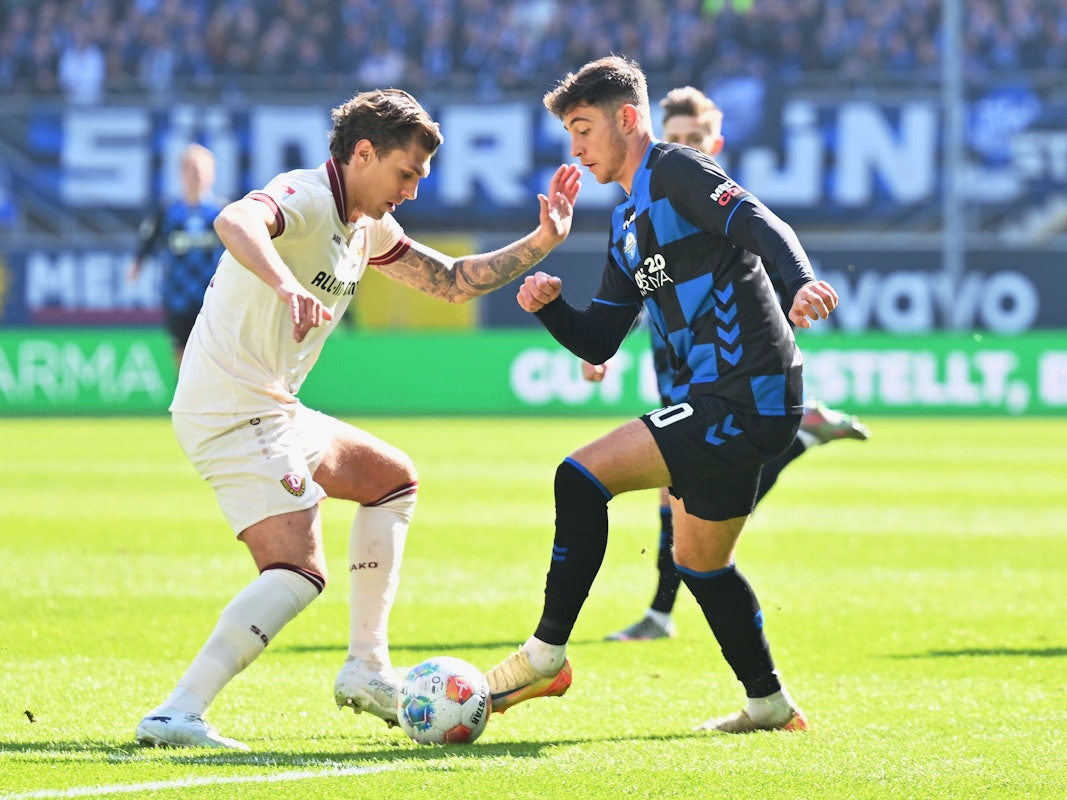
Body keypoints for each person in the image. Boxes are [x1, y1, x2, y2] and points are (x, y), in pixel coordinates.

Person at [135, 88, 580, 751]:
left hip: (270, 406)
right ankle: (177, 713)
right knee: (297, 570)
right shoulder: (307, 196)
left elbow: (452, 280)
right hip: (232, 409)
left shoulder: (367, 225)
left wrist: (542, 242)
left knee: (390, 479)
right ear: (363, 153)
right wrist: (285, 284)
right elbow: (234, 221)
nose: (412, 191)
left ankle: (366, 668)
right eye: (405, 174)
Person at [484, 56, 838, 733]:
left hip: (743, 394)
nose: (576, 149)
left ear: (627, 119)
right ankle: (769, 705)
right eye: (569, 135)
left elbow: (761, 223)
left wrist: (799, 283)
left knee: (580, 478)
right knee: (700, 563)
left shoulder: (675, 171)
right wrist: (548, 308)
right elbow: (598, 340)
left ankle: (544, 655)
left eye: (584, 129)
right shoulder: (625, 223)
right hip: (727, 402)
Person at [588, 86, 870, 643]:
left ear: (714, 144)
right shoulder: (644, 209)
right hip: (678, 369)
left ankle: (660, 614)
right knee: (689, 496)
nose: (683, 147)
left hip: (728, 376)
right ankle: (798, 443)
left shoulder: (715, 202)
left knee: (686, 493)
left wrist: (801, 287)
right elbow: (655, 286)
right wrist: (602, 346)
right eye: (674, 139)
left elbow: (757, 259)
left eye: (695, 140)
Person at [128, 143, 225, 369]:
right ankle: (187, 397)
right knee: (182, 352)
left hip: (213, 295)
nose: (196, 174)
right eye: (191, 168)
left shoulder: (223, 212)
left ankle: (211, 398)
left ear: (212, 173)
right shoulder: (168, 212)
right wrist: (136, 265)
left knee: (214, 351)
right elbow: (147, 241)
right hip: (178, 295)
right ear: (181, 173)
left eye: (202, 168)